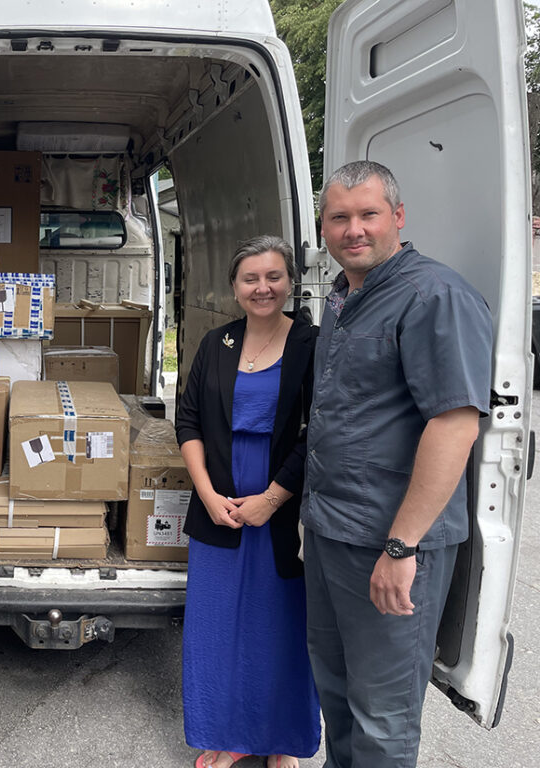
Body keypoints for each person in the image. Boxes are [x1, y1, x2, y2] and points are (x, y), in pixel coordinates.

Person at [302, 161, 493, 767]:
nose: (353, 229)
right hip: (334, 532)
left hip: (391, 543)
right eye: (339, 218)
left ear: (398, 218)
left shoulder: (433, 295)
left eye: (368, 215)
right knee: (335, 693)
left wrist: (402, 548)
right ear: (324, 228)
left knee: (383, 716)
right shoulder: (342, 298)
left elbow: (455, 423)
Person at [176, 236, 321, 768]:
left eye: (273, 277)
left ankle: (280, 739)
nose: (263, 287)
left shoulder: (312, 344)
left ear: (289, 281)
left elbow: (321, 431)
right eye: (251, 278)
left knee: (278, 625)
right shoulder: (217, 343)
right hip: (220, 503)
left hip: (281, 503)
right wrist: (208, 493)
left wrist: (272, 498)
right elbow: (187, 420)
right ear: (234, 287)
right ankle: (227, 732)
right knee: (216, 628)